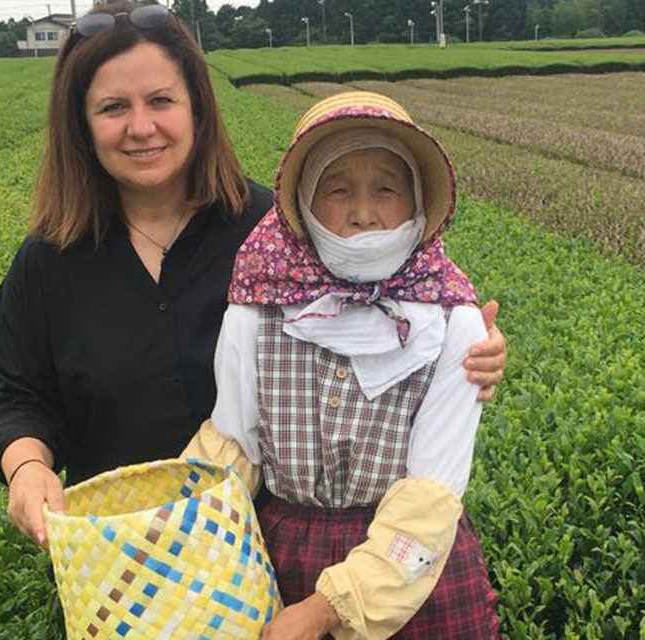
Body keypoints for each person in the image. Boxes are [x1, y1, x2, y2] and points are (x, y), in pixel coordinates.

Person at [0, 0, 506, 561]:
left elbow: (387, 317)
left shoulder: (278, 237)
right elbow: (19, 393)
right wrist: (27, 466)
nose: (141, 127)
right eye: (112, 107)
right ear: (80, 125)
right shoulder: (50, 258)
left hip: (261, 554)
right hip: (116, 556)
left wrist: (468, 350)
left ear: (197, 109)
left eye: (161, 101)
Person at [182, 91, 500, 640]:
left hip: (410, 570)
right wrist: (170, 532)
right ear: (303, 203)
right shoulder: (256, 313)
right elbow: (231, 450)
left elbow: (431, 495)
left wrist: (330, 608)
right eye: (337, 189)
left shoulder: (453, 324)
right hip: (283, 558)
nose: (362, 212)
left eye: (386, 189)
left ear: (418, 201)